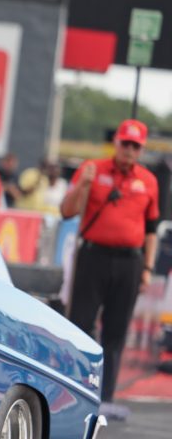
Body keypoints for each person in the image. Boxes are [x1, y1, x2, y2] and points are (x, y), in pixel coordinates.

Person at [60, 119, 160, 421]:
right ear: (116, 143)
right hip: (93, 257)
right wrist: (83, 185)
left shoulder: (149, 181)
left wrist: (147, 268)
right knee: (80, 322)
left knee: (116, 330)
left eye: (135, 146)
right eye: (124, 143)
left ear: (140, 149)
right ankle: (70, 387)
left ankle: (106, 397)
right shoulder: (93, 169)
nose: (129, 150)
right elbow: (67, 211)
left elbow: (151, 228)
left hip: (130, 262)